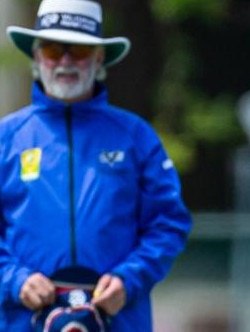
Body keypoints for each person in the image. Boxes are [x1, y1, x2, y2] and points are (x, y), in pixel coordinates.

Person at [1, 0, 193, 331]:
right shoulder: (7, 138)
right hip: (23, 320)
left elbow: (168, 223)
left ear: (99, 57)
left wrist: (128, 279)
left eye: (77, 51)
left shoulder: (135, 136)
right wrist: (14, 278)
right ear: (35, 56)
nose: (64, 62)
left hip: (118, 320)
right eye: (51, 50)